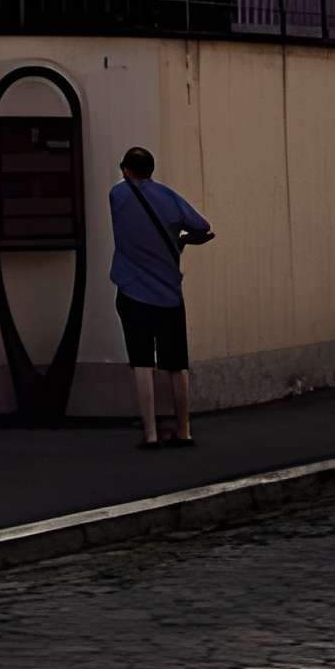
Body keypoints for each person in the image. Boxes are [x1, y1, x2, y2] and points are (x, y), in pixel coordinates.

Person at [107, 144, 212, 451]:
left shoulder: (117, 196)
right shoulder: (168, 198)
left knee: (141, 361)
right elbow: (203, 227)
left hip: (132, 290)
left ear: (126, 169)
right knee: (176, 363)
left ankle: (150, 433)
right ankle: (184, 430)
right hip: (168, 293)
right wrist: (181, 239)